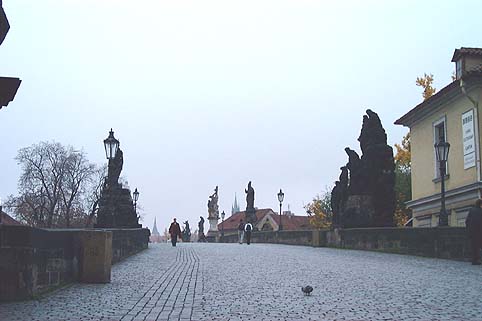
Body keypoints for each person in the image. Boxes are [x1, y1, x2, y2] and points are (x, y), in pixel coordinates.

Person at [466, 199, 482, 265]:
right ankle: (478, 259)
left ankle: (474, 260)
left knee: (474, 246)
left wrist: (469, 229)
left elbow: (467, 221)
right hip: (480, 231)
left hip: (472, 232)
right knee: (479, 246)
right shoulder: (481, 211)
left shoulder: (471, 210)